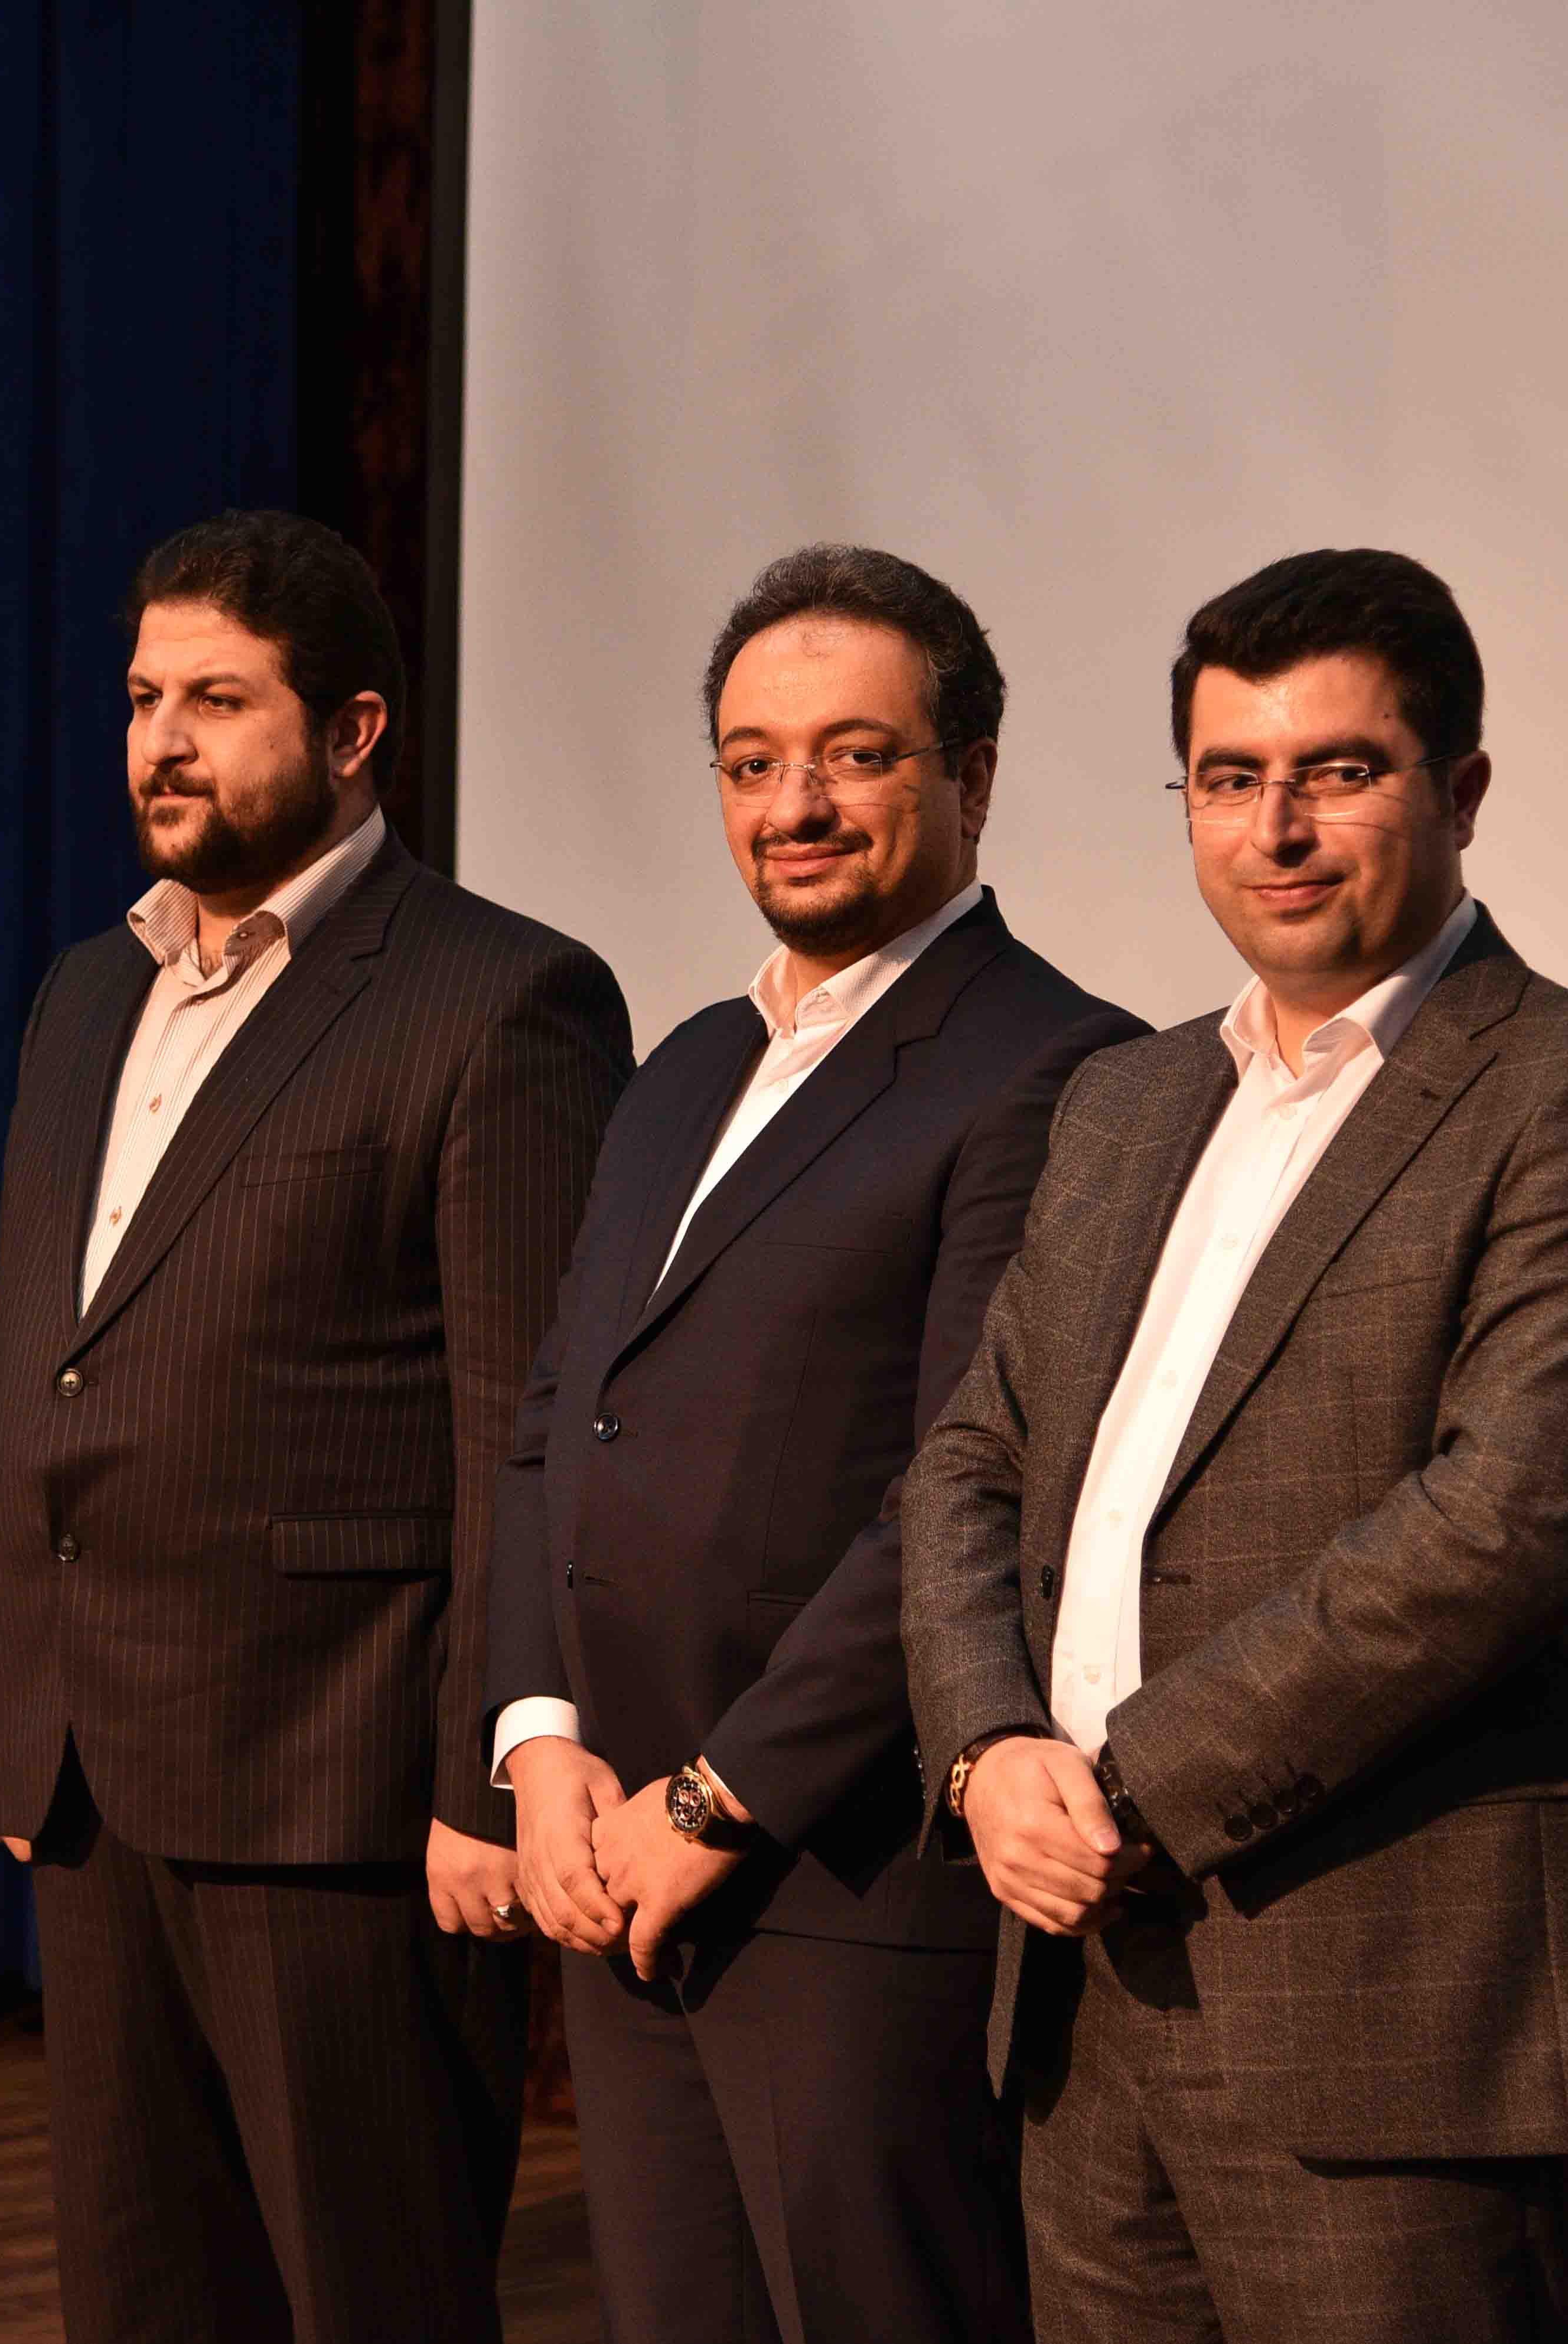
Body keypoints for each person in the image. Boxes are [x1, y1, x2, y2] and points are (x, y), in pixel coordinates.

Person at [903, 549, 1568, 2339]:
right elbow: (971, 1459)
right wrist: (983, 1751)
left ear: (1460, 791)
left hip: (1380, 2008)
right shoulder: (1125, 1101)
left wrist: (1121, 1784)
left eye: (1336, 772)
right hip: (1078, 1983)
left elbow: (1497, 1531)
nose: (1273, 829)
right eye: (1227, 778)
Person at [0, 510, 631, 2342]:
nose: (160, 741)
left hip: (340, 1791)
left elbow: (526, 1428)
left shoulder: (497, 997)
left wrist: (478, 1779)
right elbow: (56, 1366)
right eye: (140, 699)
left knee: (368, 2296)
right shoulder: (86, 991)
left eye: (215, 700)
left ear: (351, 732)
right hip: (96, 1772)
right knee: (141, 2299)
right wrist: (21, 1718)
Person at [483, 545, 1143, 2343]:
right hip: (616, 1857)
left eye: (855, 755)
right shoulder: (687, 1063)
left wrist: (721, 1798)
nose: (795, 805)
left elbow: (966, 1491)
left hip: (846, 1883)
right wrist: (540, 1747)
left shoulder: (1058, 1066)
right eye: (752, 760)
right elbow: (555, 1422)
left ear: (971, 776)